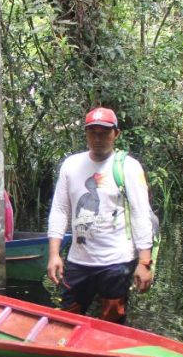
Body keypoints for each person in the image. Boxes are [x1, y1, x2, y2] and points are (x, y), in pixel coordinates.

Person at [46, 107, 154, 323]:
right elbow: (60, 209)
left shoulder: (128, 168)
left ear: (116, 134)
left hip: (117, 261)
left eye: (104, 132)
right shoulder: (71, 165)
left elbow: (140, 214)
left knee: (112, 322)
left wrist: (144, 263)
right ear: (85, 134)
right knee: (67, 319)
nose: (98, 138)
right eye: (92, 132)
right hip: (79, 259)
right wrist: (54, 254)